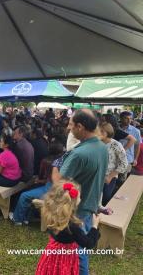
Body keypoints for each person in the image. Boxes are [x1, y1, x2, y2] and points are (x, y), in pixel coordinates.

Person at [52, 109, 108, 275]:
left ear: (80, 126)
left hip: (76, 210)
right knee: (80, 250)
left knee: (78, 252)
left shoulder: (78, 154)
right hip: (90, 205)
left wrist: (55, 167)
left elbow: (60, 185)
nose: (69, 129)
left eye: (71, 125)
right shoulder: (101, 146)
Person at [35, 181, 100, 275]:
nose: (80, 198)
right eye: (79, 197)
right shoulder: (72, 227)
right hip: (65, 256)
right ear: (73, 203)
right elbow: (88, 243)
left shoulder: (52, 214)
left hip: (53, 253)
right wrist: (94, 226)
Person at [10, 141, 64, 226]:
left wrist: (38, 180)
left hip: (50, 189)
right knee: (31, 194)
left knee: (24, 195)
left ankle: (17, 219)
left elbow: (42, 177)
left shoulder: (46, 161)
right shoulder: (64, 161)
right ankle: (26, 218)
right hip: (57, 189)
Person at [98, 122, 128, 205]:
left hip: (109, 177)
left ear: (108, 132)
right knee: (96, 200)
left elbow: (124, 163)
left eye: (102, 131)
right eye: (98, 131)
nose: (99, 133)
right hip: (96, 176)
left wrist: (110, 176)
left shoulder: (116, 145)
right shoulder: (96, 143)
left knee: (106, 198)